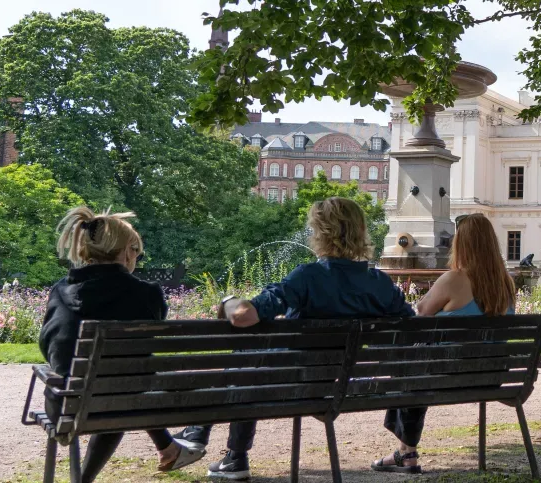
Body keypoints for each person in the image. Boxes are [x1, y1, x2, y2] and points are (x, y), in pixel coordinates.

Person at [174, 198, 414, 480]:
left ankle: (213, 441)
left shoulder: (307, 277)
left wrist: (228, 301)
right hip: (338, 387)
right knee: (248, 364)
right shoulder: (379, 283)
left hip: (288, 385)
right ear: (361, 231)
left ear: (320, 233)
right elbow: (409, 327)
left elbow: (243, 316)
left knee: (245, 364)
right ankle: (227, 454)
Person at [39, 207, 204, 481]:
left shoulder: (60, 290)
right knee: (119, 383)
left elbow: (48, 346)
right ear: (127, 251)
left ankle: (166, 449)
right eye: (136, 253)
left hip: (66, 407)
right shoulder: (147, 294)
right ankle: (86, 479)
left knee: (106, 382)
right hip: (121, 401)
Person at [374, 213, 518, 474]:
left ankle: (406, 453)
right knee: (414, 367)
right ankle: (405, 452)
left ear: (461, 244)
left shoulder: (454, 279)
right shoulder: (506, 284)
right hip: (490, 375)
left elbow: (422, 311)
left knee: (407, 366)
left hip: (448, 374)